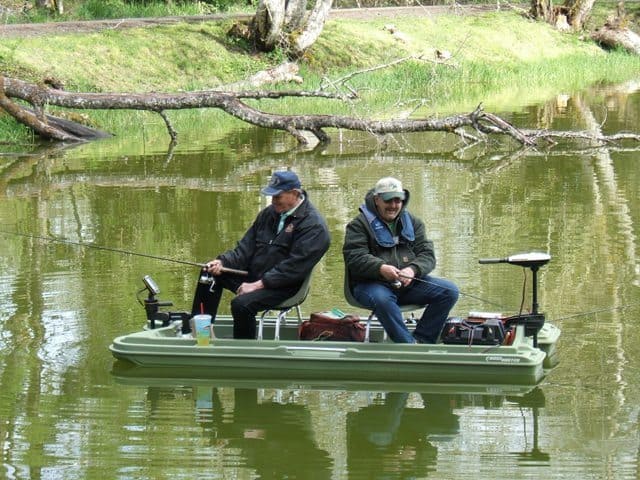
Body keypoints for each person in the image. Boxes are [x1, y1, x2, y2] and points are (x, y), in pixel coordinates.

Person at [192, 170, 331, 339]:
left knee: (242, 305)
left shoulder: (314, 226)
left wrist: (258, 285)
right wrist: (222, 262)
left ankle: (244, 351)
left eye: (277, 197)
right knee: (209, 273)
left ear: (294, 194)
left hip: (285, 286)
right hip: (254, 276)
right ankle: (200, 335)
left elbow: (293, 269)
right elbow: (244, 250)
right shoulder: (269, 214)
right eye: (271, 197)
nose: (273, 201)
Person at [343, 176, 458, 344]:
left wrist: (413, 269)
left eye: (398, 201)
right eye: (388, 201)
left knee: (449, 291)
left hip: (407, 284)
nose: (393, 206)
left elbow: (427, 254)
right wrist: (381, 268)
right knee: (382, 300)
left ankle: (423, 340)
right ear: (377, 200)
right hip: (370, 285)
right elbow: (355, 257)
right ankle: (407, 346)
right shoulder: (358, 225)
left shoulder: (414, 222)